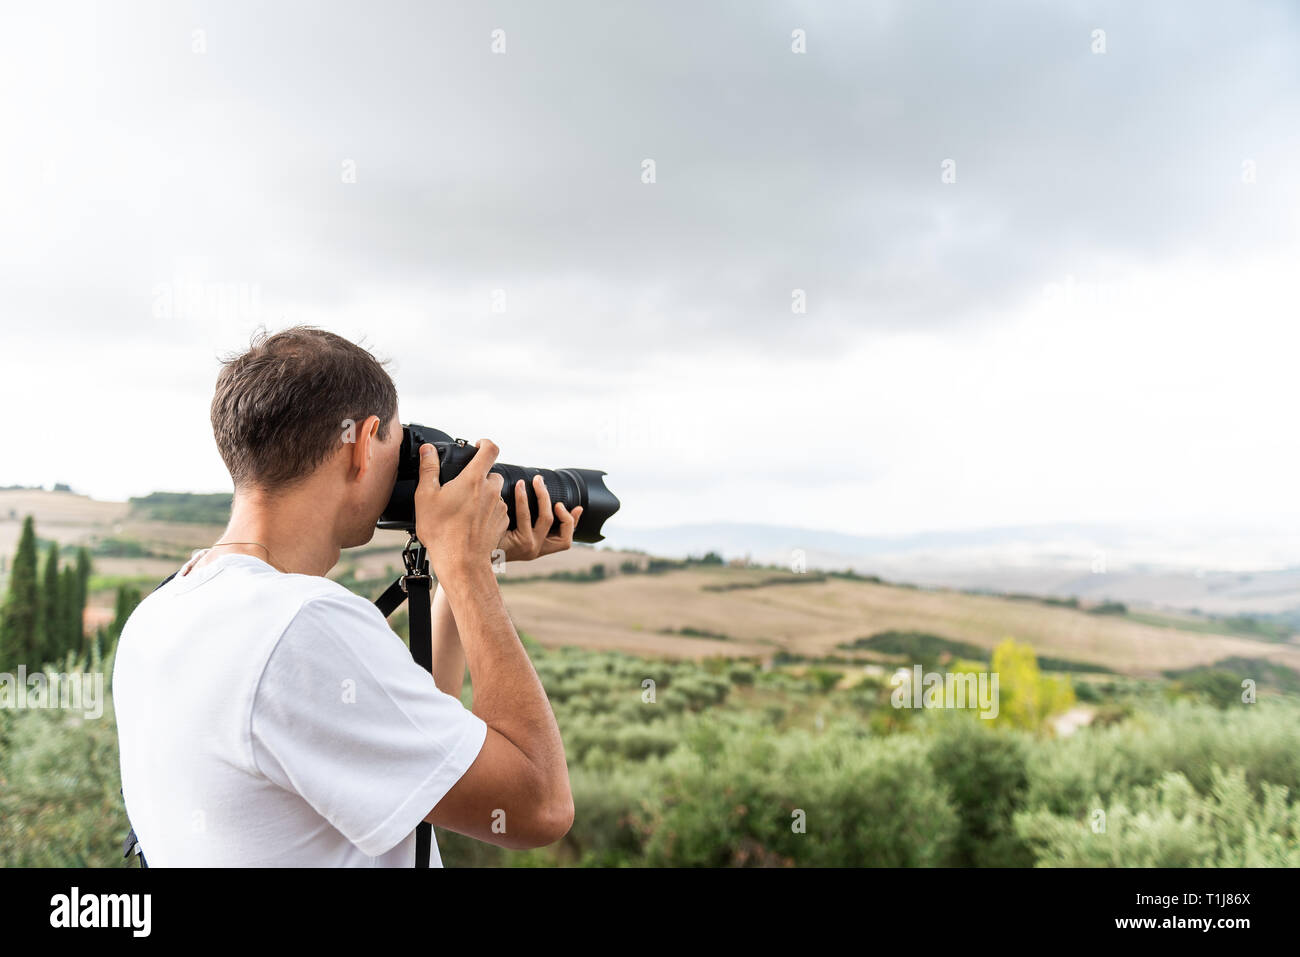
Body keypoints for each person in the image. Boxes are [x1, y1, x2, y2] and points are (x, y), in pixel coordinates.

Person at [112, 326, 578, 866]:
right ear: (362, 442)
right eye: (398, 449)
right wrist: (467, 567)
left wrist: (469, 570)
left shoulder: (166, 608)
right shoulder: (301, 623)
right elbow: (539, 805)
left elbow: (421, 746)